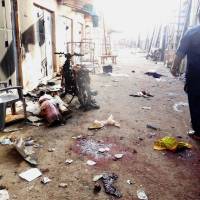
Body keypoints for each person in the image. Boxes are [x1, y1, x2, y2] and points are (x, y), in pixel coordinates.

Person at [171, 12, 200, 139]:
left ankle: (198, 131)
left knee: (195, 100)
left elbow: (180, 52)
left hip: (195, 74)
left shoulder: (192, 32)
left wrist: (174, 67)